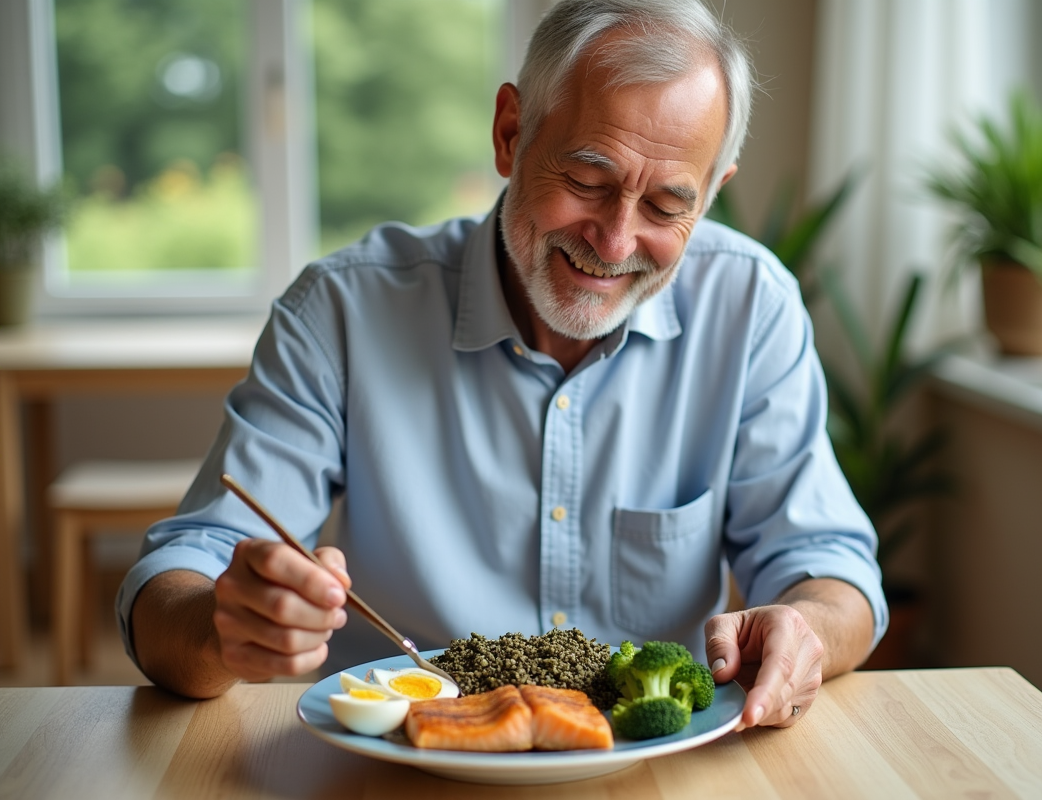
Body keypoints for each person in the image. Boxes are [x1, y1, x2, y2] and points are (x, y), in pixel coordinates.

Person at [118, 0, 886, 731]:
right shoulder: (342, 311)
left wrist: (806, 627)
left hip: (648, 767)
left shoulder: (751, 306)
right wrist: (222, 628)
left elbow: (828, 568)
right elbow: (177, 580)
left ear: (713, 192)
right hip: (403, 765)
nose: (615, 242)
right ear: (510, 133)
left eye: (664, 206)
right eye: (587, 181)